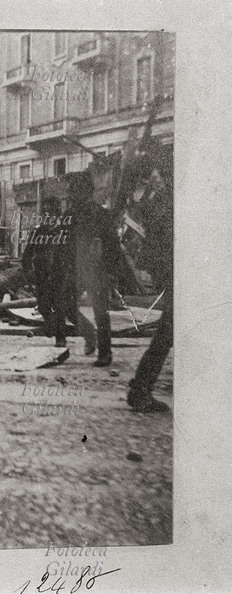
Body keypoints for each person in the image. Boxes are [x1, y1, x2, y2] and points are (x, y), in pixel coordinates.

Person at [59, 171, 124, 367]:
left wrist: (112, 272)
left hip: (97, 270)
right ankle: (89, 334)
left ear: (84, 192)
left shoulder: (101, 214)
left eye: (73, 191)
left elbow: (113, 244)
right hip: (75, 270)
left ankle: (105, 353)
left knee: (101, 312)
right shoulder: (68, 215)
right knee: (66, 306)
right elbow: (62, 245)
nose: (70, 195)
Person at [126, 148, 173, 413]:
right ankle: (141, 388)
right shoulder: (166, 202)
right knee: (169, 331)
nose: (155, 178)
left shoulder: (160, 201)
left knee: (169, 330)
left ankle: (141, 385)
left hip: (169, 270)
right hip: (175, 270)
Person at [21, 197, 69, 347]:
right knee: (43, 306)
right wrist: (28, 271)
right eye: (46, 212)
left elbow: (70, 254)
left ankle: (60, 338)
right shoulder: (38, 231)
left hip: (58, 274)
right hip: (41, 274)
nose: (49, 216)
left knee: (59, 306)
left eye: (53, 212)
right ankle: (52, 326)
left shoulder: (64, 232)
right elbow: (27, 254)